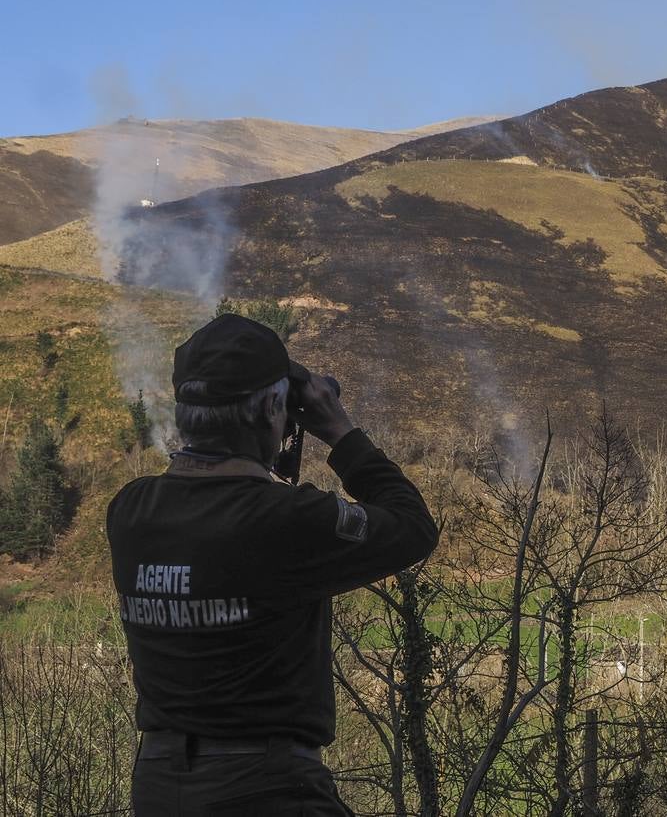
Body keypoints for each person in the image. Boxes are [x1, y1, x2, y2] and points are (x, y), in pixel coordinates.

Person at [107, 313, 439, 814]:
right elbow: (413, 527)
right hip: (265, 787)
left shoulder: (130, 511)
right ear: (270, 407)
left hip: (159, 784)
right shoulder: (281, 521)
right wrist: (340, 430)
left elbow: (219, 510)